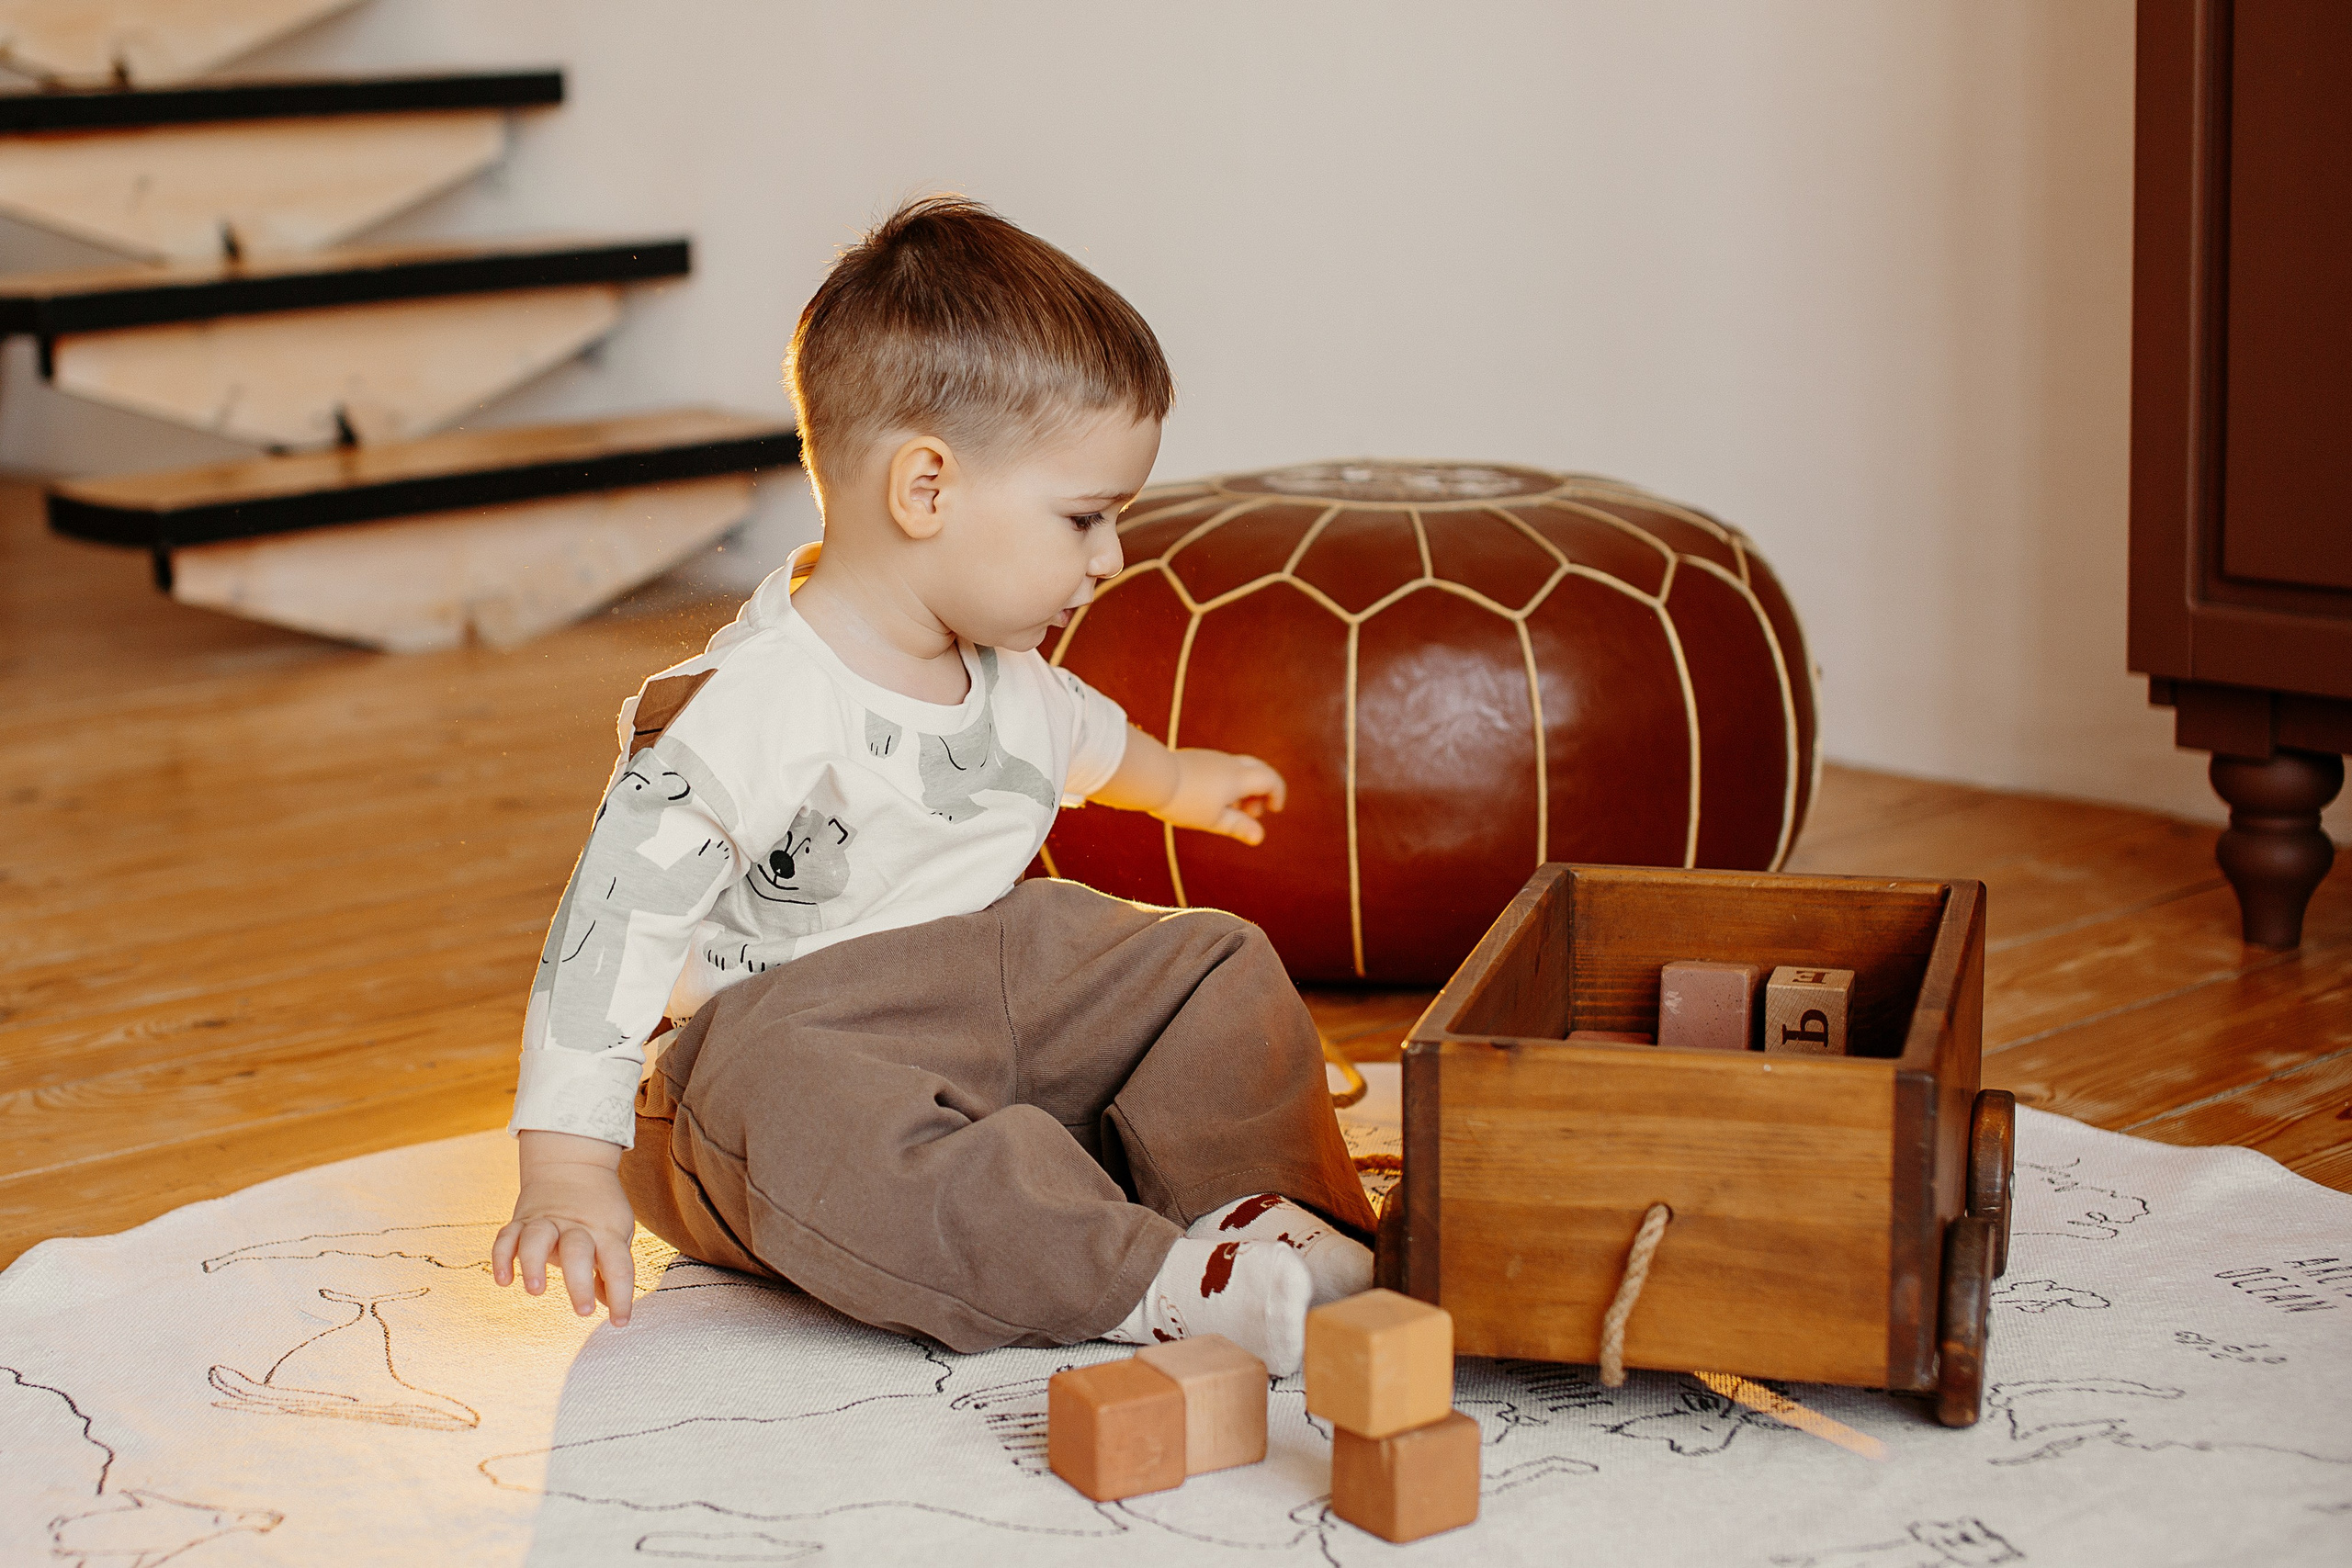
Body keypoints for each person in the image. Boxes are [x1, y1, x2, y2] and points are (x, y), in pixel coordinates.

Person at [489, 195, 1374, 1374]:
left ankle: (1255, 1215)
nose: (1111, 558)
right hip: (778, 1059)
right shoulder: (745, 711)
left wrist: (1185, 783)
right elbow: (610, 929)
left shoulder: (1004, 669)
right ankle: (1148, 1281)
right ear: (926, 490)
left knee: (1207, 958)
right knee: (795, 1090)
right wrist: (565, 1162)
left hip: (979, 1004)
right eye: (1084, 518)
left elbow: (1088, 742)